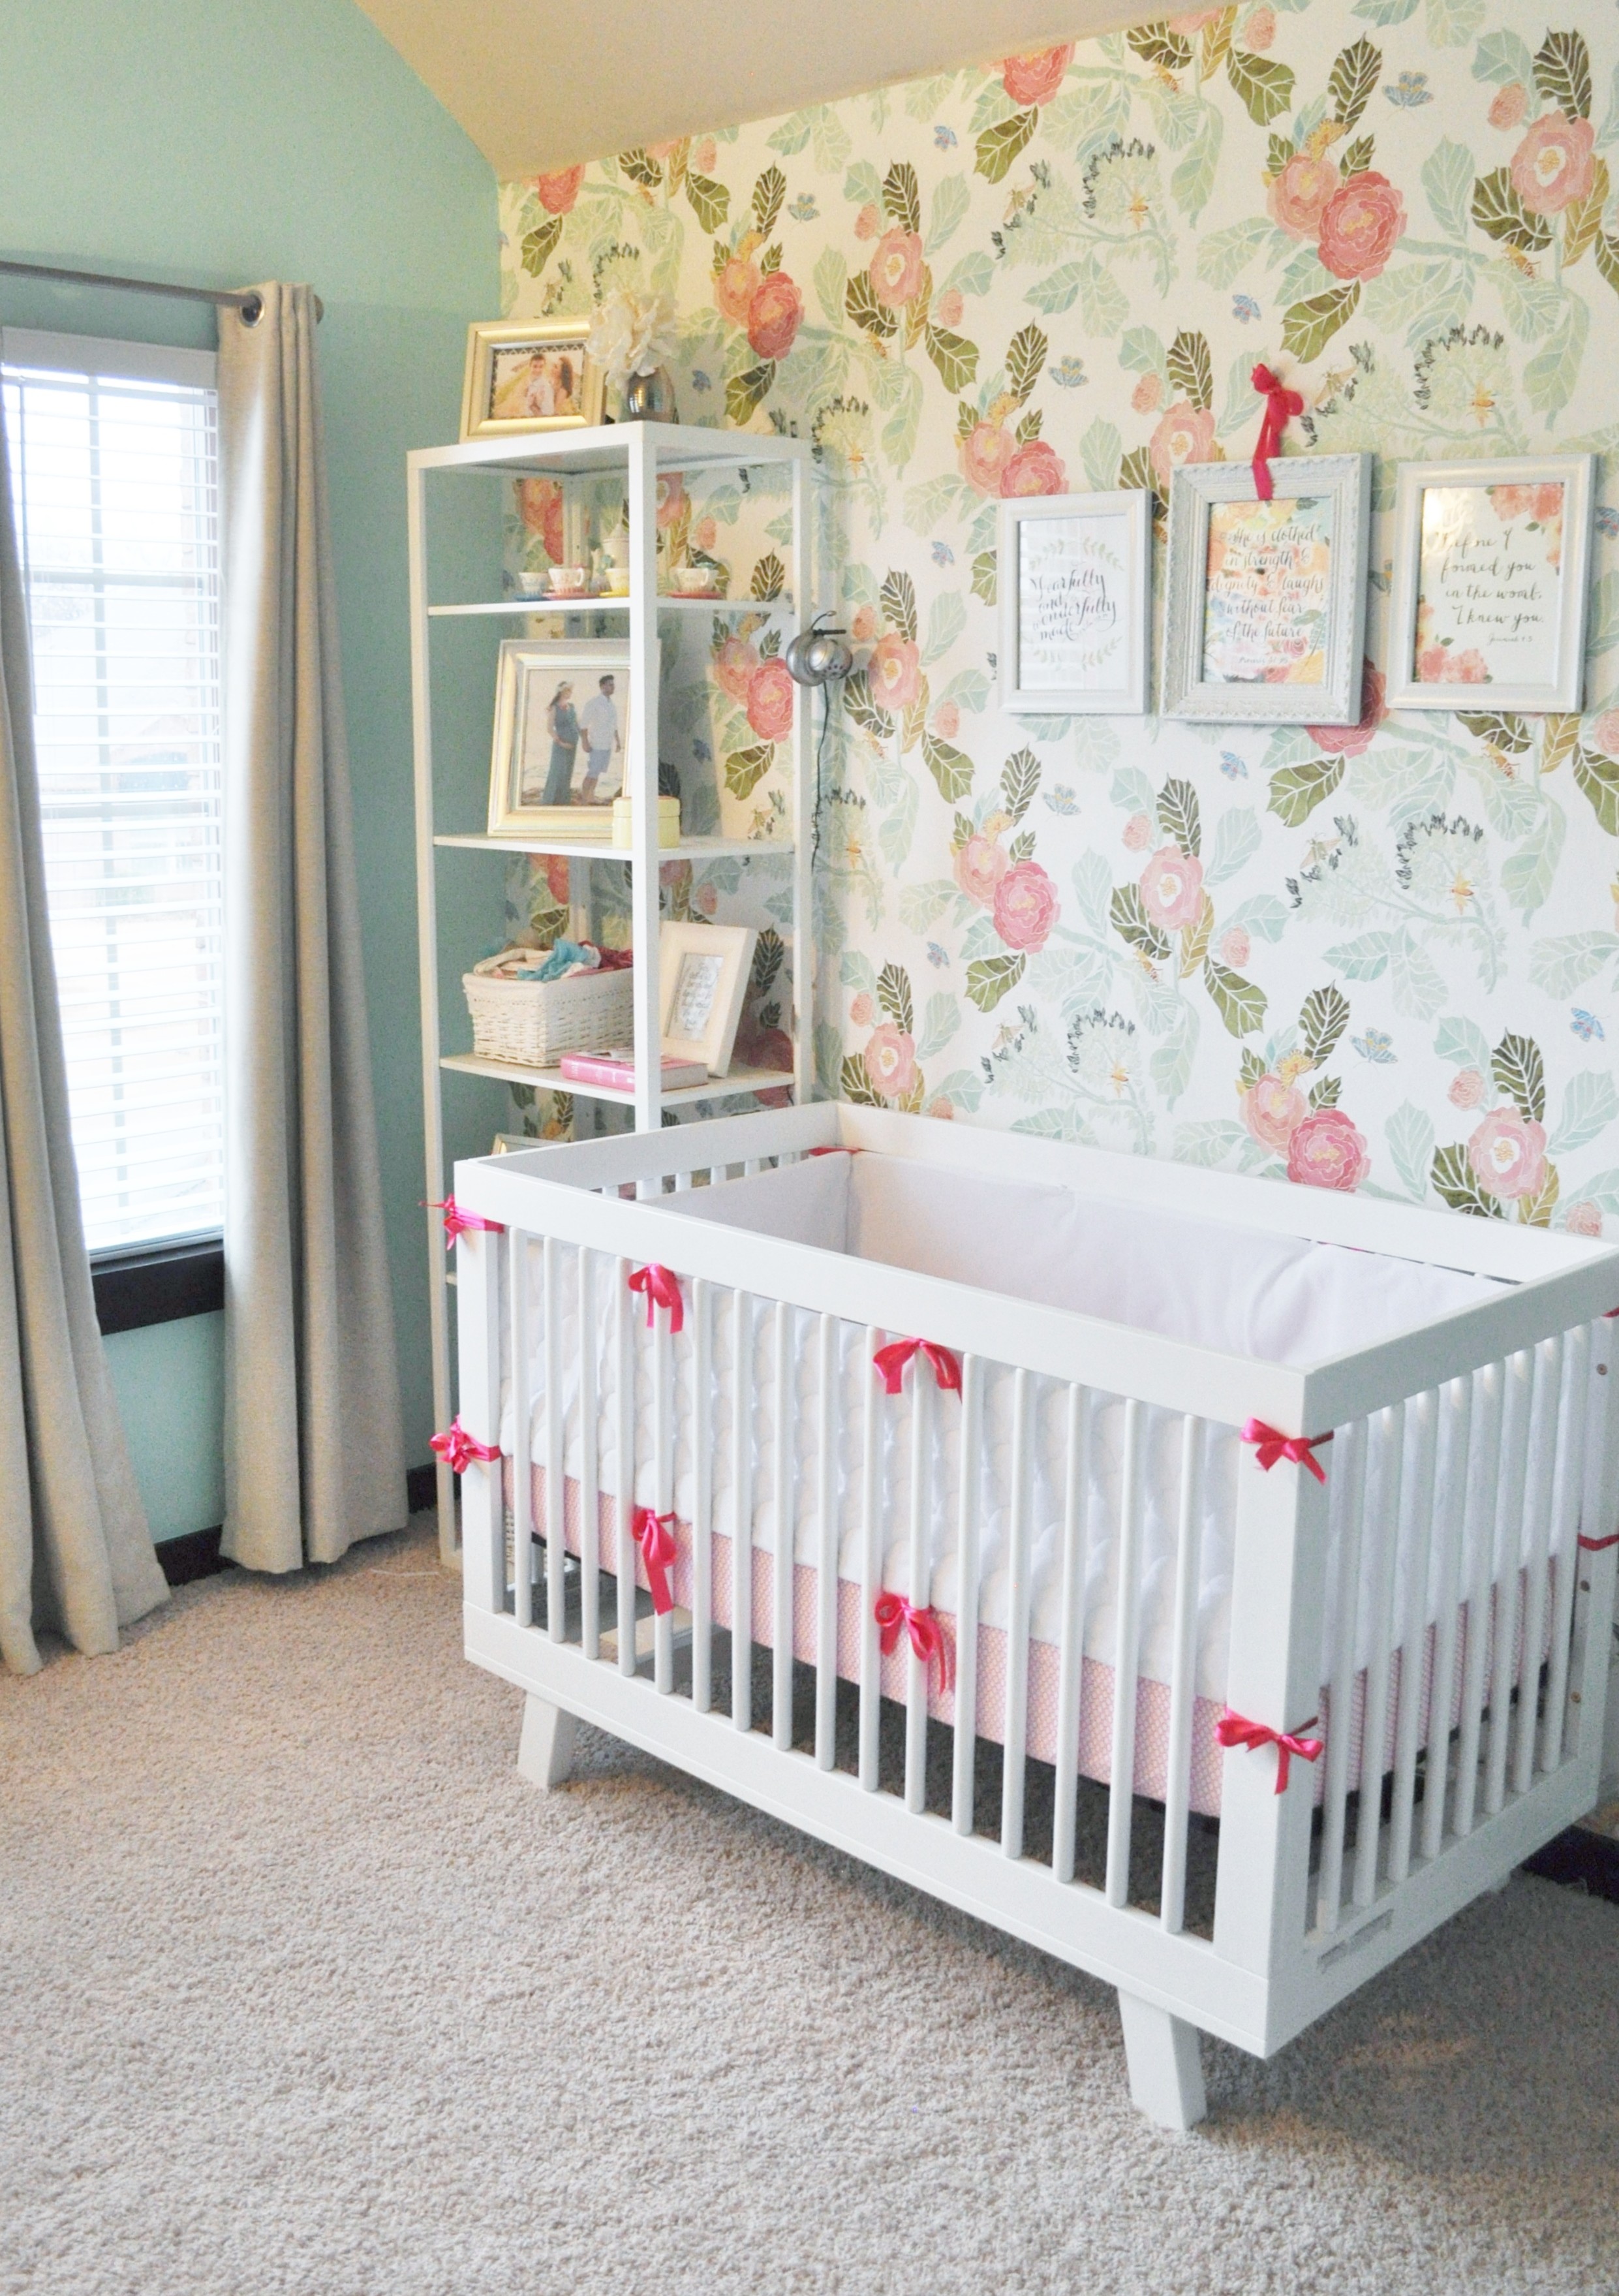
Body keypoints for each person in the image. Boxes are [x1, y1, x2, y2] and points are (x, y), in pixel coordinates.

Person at [578, 674, 621, 805]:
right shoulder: (594, 703)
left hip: (607, 744)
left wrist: (618, 742)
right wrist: (585, 742)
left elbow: (614, 725)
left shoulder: (611, 705)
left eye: (613, 684)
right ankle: (585, 799)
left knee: (597, 773)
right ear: (602, 687)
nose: (612, 687)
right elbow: (584, 724)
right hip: (596, 743)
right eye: (609, 684)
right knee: (592, 772)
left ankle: (591, 796)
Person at [540, 681, 579, 807]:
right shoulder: (555, 708)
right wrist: (562, 743)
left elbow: (577, 723)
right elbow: (550, 729)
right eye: (568, 691)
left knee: (568, 771)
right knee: (558, 771)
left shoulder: (571, 707)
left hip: (573, 744)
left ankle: (563, 800)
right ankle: (551, 799)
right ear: (562, 691)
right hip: (561, 745)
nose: (570, 693)